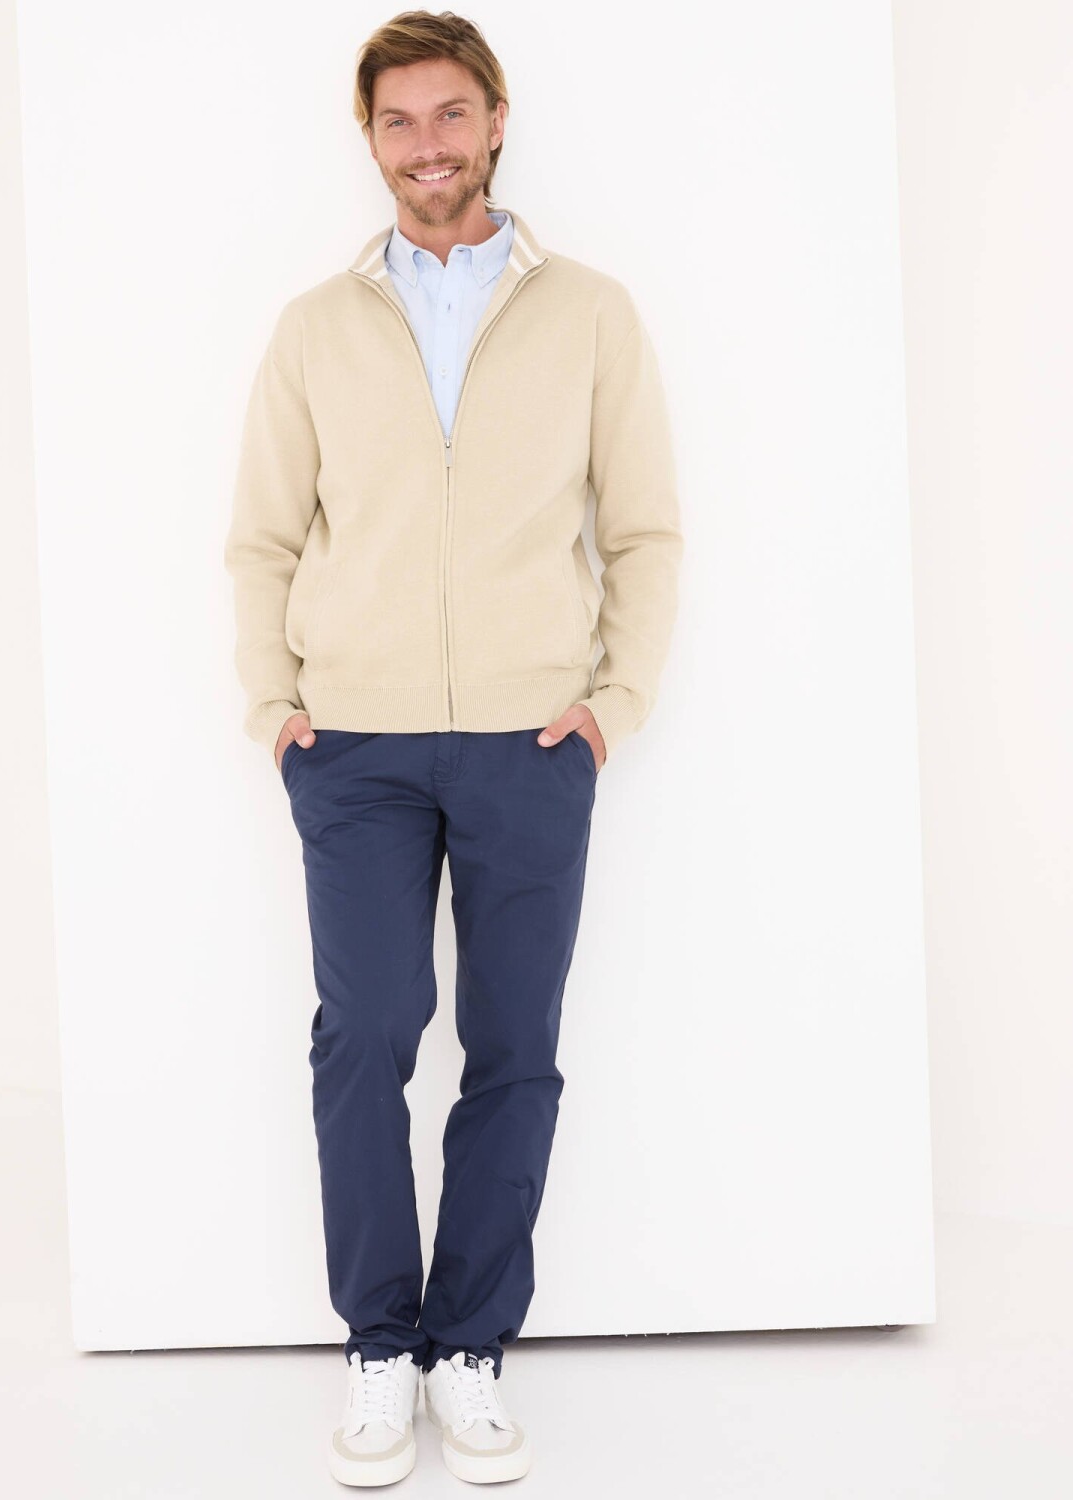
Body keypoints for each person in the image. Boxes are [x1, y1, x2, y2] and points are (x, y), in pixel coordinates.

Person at [223, 10, 682, 1487]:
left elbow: (644, 532)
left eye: (449, 114)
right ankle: (381, 1344)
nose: (427, 146)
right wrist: (276, 709)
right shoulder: (316, 327)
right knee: (365, 1034)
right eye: (398, 121)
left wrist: (611, 707)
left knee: (514, 1046)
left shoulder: (590, 313)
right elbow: (262, 538)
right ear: (370, 140)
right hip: (352, 743)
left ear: (495, 120)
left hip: (529, 739)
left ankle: (470, 1344)